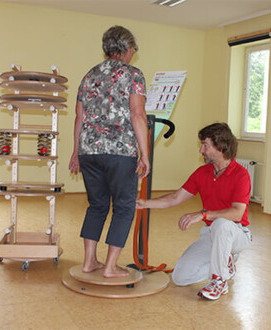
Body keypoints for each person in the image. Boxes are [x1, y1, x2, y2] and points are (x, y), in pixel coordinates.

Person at [136, 123, 252, 300]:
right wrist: (144, 203)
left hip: (237, 233)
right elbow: (175, 198)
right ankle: (225, 265)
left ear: (221, 146)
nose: (201, 150)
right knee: (180, 277)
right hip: (211, 233)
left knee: (222, 224)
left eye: (205, 145)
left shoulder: (241, 175)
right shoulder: (202, 173)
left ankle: (218, 280)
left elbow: (237, 214)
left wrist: (204, 214)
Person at [69, 26, 150, 278]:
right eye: (132, 50)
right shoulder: (134, 75)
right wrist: (145, 154)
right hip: (119, 152)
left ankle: (88, 262)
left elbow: (79, 116)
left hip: (88, 150)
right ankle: (110, 267)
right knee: (124, 207)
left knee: (97, 205)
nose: (132, 55)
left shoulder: (89, 75)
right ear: (127, 49)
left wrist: (75, 152)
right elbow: (137, 114)